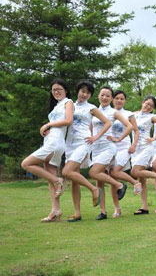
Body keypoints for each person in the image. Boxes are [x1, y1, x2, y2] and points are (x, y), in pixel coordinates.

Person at [21, 79, 73, 222]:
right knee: (51, 181)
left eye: (59, 89)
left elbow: (68, 120)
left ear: (66, 90)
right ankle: (55, 211)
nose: (56, 92)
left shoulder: (68, 102)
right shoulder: (56, 106)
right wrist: (46, 130)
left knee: (26, 164)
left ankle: (59, 180)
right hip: (51, 141)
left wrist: (48, 124)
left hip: (55, 143)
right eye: (53, 90)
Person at [62, 81, 106, 222]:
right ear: (78, 91)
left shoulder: (91, 108)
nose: (84, 94)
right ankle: (77, 213)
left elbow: (107, 122)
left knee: (67, 172)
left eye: (88, 92)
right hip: (69, 144)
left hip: (83, 142)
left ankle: (94, 189)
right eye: (83, 91)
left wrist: (96, 137)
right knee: (74, 178)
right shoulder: (70, 106)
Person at [90, 86, 133, 220]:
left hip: (108, 146)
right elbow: (90, 128)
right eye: (102, 95)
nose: (104, 98)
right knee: (99, 179)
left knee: (95, 172)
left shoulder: (113, 112)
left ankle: (120, 185)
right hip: (95, 147)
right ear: (98, 96)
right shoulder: (93, 111)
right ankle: (103, 211)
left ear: (111, 98)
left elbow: (130, 126)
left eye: (108, 96)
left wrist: (119, 138)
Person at [130, 96, 156, 215]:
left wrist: (154, 137)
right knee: (141, 179)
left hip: (146, 147)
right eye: (147, 104)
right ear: (142, 103)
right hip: (135, 149)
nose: (148, 107)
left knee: (135, 172)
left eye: (151, 106)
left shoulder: (151, 117)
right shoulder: (134, 115)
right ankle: (144, 207)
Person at [107, 90, 142, 218]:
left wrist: (134, 145)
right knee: (112, 178)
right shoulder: (108, 113)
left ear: (125, 101)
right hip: (110, 147)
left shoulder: (129, 114)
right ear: (112, 100)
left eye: (122, 98)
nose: (119, 100)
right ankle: (117, 209)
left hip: (125, 147)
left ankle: (135, 183)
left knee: (114, 172)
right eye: (117, 98)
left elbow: (136, 131)